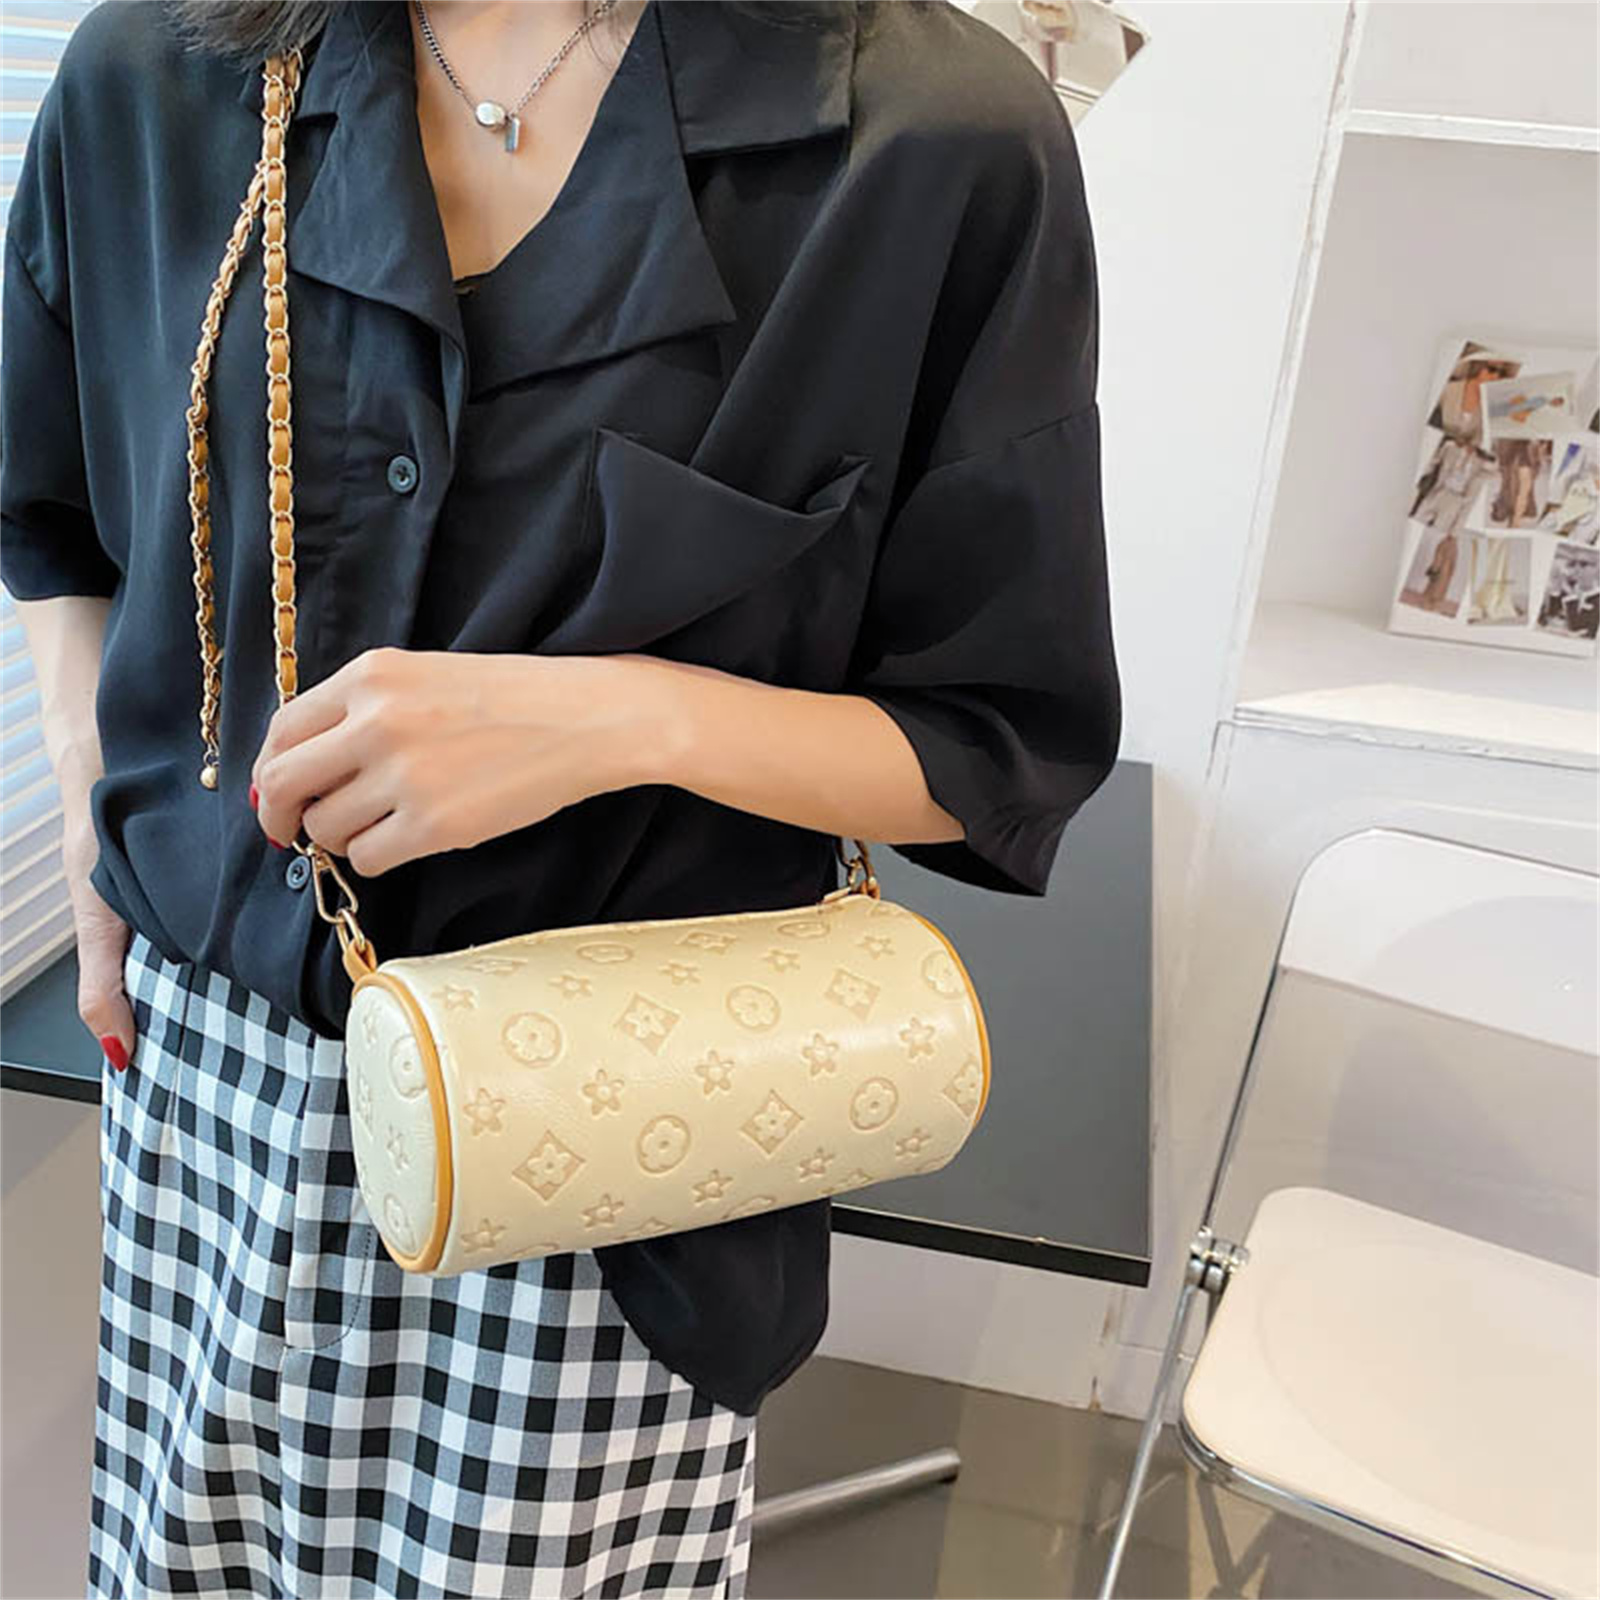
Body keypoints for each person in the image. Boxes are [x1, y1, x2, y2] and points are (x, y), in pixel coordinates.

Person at [0, 0, 1121, 1594]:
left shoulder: (933, 142)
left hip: (607, 1139)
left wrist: (625, 719)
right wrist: (83, 812)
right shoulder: (161, 71)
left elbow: (996, 740)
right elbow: (53, 515)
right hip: (215, 1091)